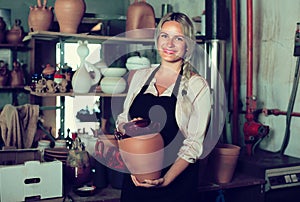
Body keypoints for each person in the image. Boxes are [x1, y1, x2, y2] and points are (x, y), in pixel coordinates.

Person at [116, 12, 211, 202]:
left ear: (188, 46)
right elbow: (122, 120)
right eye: (165, 36)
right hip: (135, 181)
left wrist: (165, 180)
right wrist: (128, 129)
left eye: (178, 38)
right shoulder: (141, 77)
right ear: (157, 39)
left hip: (175, 186)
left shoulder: (196, 86)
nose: (169, 44)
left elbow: (194, 144)